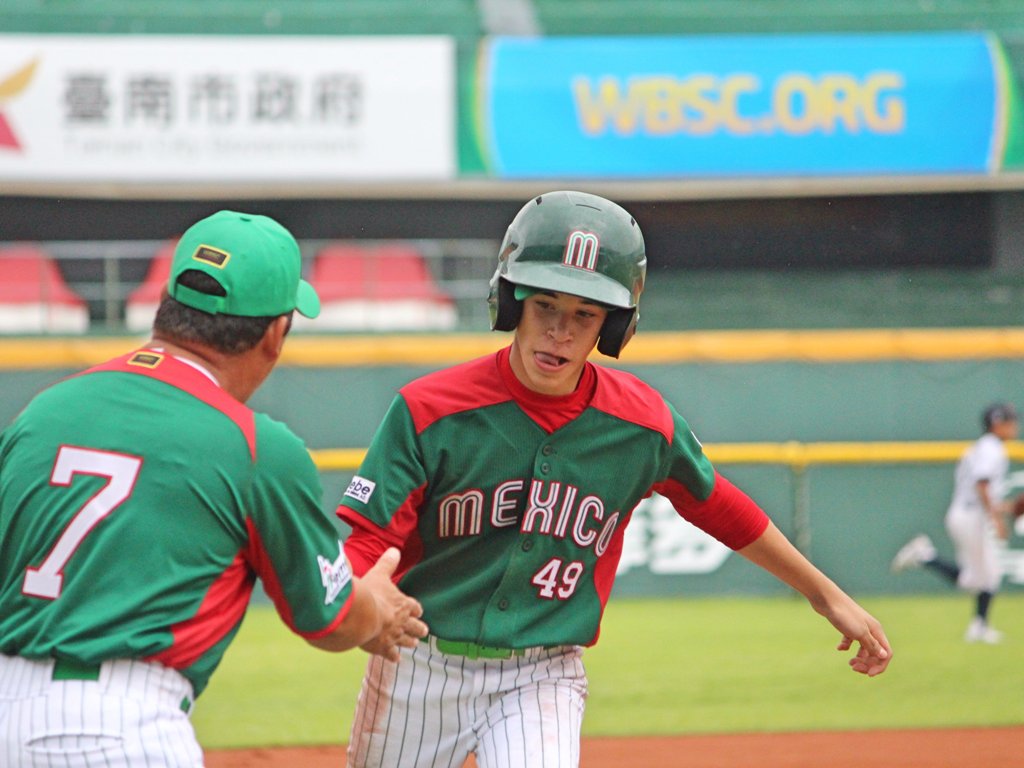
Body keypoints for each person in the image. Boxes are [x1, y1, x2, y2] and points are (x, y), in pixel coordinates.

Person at [335, 190, 893, 768]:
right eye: (546, 305)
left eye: (585, 313)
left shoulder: (640, 424)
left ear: (614, 324)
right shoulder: (430, 409)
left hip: (541, 673)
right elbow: (369, 539)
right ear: (511, 302)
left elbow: (720, 507)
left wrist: (825, 595)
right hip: (419, 665)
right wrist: (360, 595)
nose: (560, 330)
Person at [0, 210, 428, 767]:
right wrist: (379, 614)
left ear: (168, 307)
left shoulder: (44, 410)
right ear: (276, 334)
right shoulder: (257, 446)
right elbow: (328, 618)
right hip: (118, 728)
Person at [891, 401, 1018, 644]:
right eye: (1011, 422)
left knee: (989, 575)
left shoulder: (985, 447)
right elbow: (981, 484)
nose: (1015, 427)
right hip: (970, 516)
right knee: (979, 578)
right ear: (997, 424)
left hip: (969, 513)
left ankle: (979, 626)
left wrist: (1005, 508)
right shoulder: (992, 448)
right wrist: (997, 519)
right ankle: (925, 556)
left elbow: (983, 490)